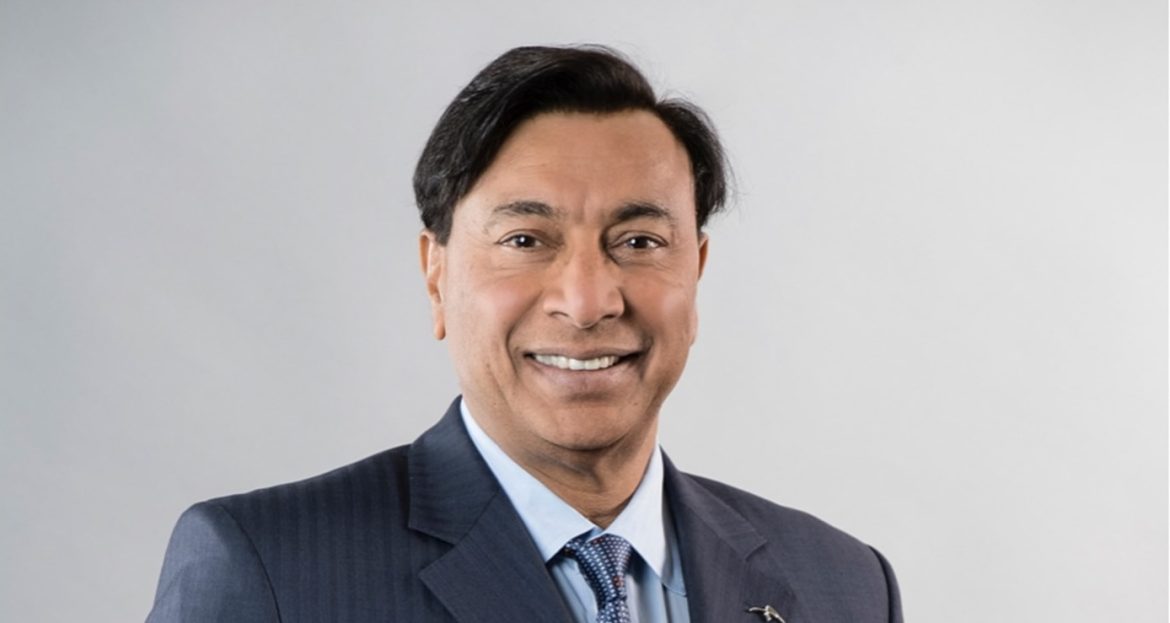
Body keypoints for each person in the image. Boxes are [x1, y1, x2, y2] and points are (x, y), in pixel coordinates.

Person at [147, 45, 903, 623]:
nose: (587, 302)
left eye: (639, 241)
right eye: (525, 241)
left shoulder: (844, 585)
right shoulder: (270, 569)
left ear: (696, 272)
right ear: (437, 274)